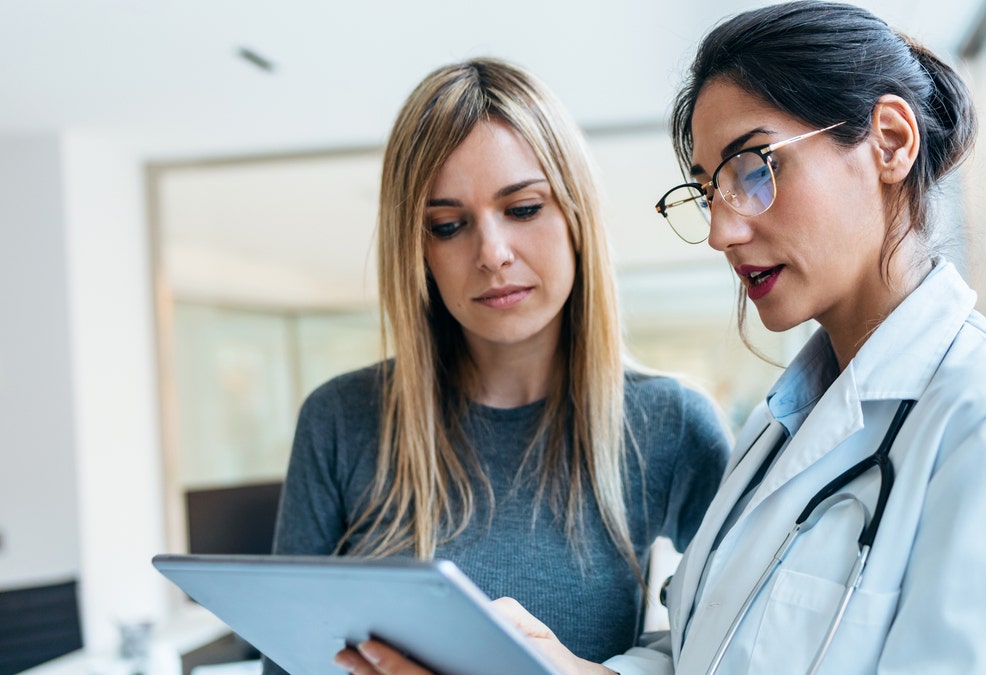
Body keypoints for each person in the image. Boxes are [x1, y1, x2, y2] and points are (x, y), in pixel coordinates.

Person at [333, 3, 986, 675]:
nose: (719, 228)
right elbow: (699, 656)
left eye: (754, 167)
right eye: (709, 187)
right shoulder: (779, 434)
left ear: (890, 140)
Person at [269, 57, 731, 673]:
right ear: (417, 248)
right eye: (448, 224)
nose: (491, 254)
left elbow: (736, 647)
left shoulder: (669, 424)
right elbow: (286, 661)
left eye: (523, 209)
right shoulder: (341, 420)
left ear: (576, 217)